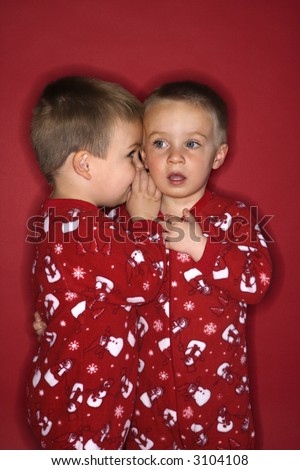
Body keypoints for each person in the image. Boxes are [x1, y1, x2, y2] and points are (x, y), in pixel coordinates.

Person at [123, 81, 272, 450]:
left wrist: (203, 248)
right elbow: (100, 284)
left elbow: (257, 284)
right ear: (142, 154)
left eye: (191, 143)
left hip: (217, 395)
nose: (175, 157)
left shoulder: (233, 218)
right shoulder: (124, 219)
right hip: (145, 400)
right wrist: (61, 312)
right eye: (160, 144)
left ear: (217, 156)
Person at [26, 76, 166, 450]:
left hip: (74, 387)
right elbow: (143, 282)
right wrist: (144, 222)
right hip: (85, 399)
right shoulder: (86, 230)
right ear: (85, 165)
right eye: (132, 155)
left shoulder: (58, 219)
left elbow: (63, 288)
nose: (142, 168)